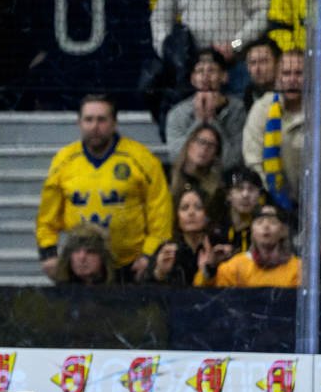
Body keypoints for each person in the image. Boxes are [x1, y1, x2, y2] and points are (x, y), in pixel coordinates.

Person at [35, 94, 171, 281]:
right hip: (80, 269)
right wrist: (48, 254)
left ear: (114, 123)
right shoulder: (63, 161)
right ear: (79, 123)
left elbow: (161, 213)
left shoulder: (142, 159)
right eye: (88, 120)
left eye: (101, 120)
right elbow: (47, 218)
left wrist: (149, 255)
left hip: (130, 267)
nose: (95, 127)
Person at [243, 49, 321, 228]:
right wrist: (270, 211)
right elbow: (254, 163)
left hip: (314, 210)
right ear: (277, 78)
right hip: (270, 205)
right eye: (286, 73)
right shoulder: (261, 109)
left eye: (299, 73)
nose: (292, 79)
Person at [164, 49, 247, 169]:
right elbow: (178, 159)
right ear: (193, 79)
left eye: (211, 70)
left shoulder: (238, 110)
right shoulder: (177, 113)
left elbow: (232, 161)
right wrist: (199, 121)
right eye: (200, 71)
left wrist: (212, 120)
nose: (205, 76)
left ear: (224, 76)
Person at [195, 203, 299, 288]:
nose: (266, 226)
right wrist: (210, 269)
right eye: (260, 222)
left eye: (272, 222)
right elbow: (203, 293)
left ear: (283, 231)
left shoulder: (297, 268)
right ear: (252, 232)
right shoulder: (237, 266)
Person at [150, 187, 224, 287]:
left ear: (207, 215)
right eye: (184, 208)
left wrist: (210, 269)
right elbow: (145, 290)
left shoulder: (218, 248)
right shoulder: (167, 250)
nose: (191, 213)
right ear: (177, 216)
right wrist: (160, 273)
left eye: (198, 207)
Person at [167, 123, 226, 224]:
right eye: (201, 142)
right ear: (189, 144)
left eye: (211, 145)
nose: (205, 148)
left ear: (215, 155)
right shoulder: (167, 177)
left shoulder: (217, 190)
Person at [50, 223, 125, 288]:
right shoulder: (60, 292)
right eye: (76, 251)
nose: (82, 257)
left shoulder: (122, 286)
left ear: (103, 256)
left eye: (90, 251)